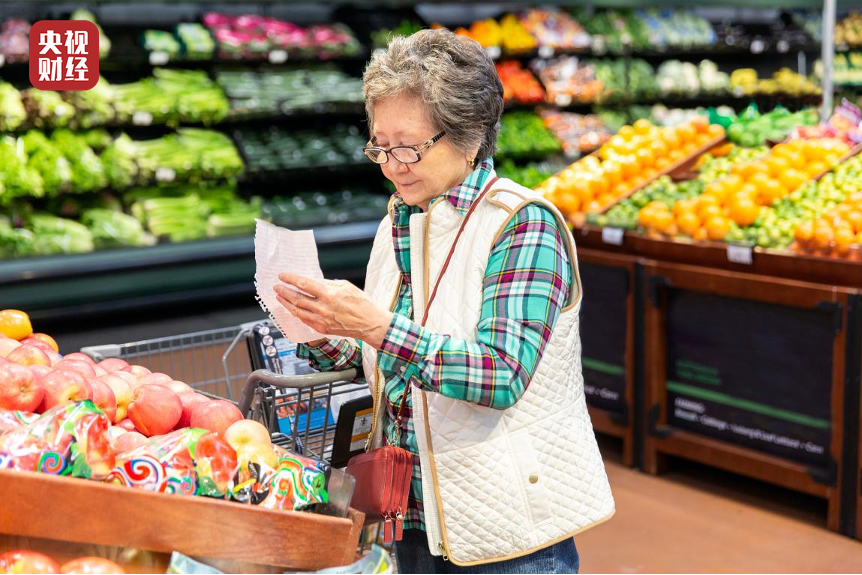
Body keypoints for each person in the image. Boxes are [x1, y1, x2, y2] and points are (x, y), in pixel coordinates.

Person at [274, 28, 614, 575]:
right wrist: (320, 327)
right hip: (412, 513)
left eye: (409, 146)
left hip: (507, 525)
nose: (392, 164)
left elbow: (499, 375)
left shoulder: (521, 225)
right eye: (380, 146)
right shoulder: (400, 222)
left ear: (471, 135)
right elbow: (387, 358)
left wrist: (380, 327)